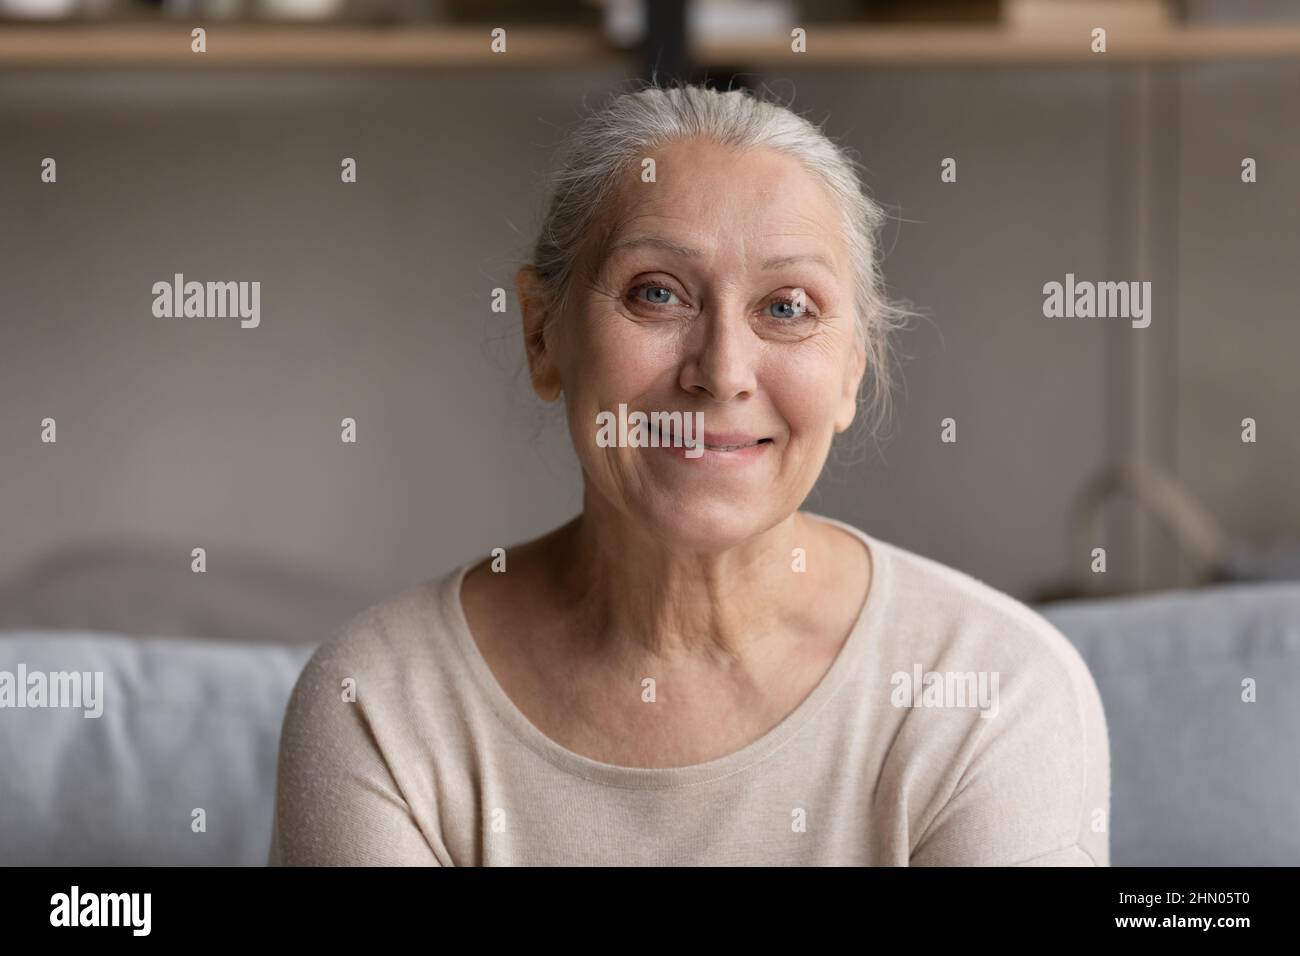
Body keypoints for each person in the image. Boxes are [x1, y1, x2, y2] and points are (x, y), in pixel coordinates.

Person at [269, 81, 1109, 866]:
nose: (723, 371)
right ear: (541, 336)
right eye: (658, 295)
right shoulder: (380, 701)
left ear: (853, 366)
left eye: (788, 308)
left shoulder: (993, 690)